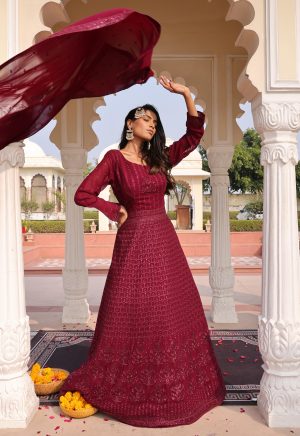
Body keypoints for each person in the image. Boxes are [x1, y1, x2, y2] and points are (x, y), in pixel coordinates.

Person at [59, 75, 226, 428]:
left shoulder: (159, 159)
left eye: (154, 121)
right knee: (132, 309)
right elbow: (83, 194)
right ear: (130, 124)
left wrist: (185, 94)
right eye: (145, 120)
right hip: (133, 241)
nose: (151, 125)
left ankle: (172, 377)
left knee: (167, 308)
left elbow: (194, 136)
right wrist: (113, 210)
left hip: (164, 242)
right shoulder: (113, 160)